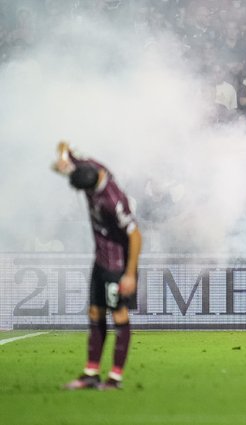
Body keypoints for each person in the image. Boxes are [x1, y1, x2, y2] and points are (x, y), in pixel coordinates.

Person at [54, 142, 142, 389]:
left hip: (118, 263)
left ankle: (114, 377)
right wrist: (61, 159)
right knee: (94, 312)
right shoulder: (89, 167)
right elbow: (64, 146)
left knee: (119, 315)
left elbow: (136, 236)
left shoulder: (114, 201)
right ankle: (91, 373)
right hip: (100, 260)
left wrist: (130, 274)